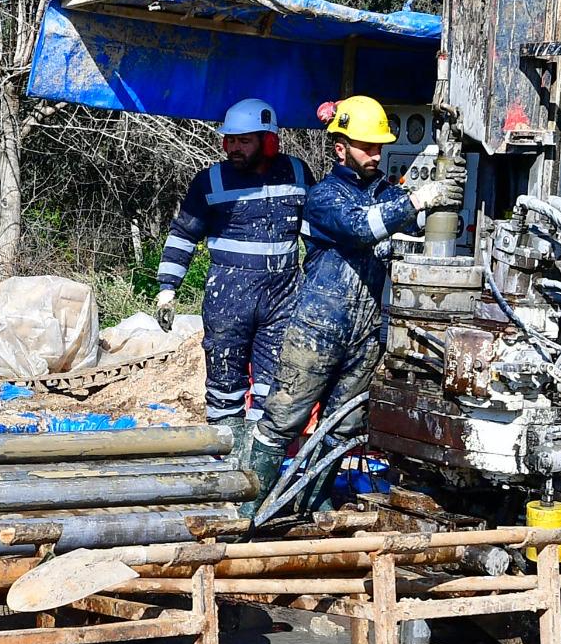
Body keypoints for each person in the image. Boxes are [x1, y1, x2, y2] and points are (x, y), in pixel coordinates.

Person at [247, 96, 466, 514]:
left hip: (364, 333)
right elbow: (362, 227)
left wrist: (447, 188)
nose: (376, 155)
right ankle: (248, 507)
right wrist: (418, 199)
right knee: (282, 419)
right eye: (367, 147)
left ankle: (312, 505)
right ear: (340, 148)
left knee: (342, 425)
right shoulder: (324, 197)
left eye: (379, 146)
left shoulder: (386, 193)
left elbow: (415, 227)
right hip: (316, 330)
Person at [154, 98, 313, 465]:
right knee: (225, 384)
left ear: (268, 141)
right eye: (230, 141)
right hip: (229, 297)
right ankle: (225, 465)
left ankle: (257, 466)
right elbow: (183, 235)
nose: (233, 148)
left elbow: (316, 233)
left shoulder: (297, 173)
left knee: (273, 388)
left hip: (284, 296)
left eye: (244, 141)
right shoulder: (210, 181)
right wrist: (167, 289)